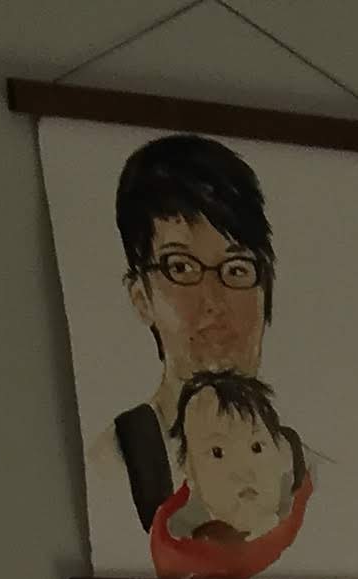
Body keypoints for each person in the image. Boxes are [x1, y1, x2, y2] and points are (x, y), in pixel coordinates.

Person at [108, 134, 273, 535]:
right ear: (140, 297)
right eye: (180, 268)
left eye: (236, 270)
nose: (214, 302)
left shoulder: (308, 467)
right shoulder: (114, 467)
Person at [148, 370, 313, 579]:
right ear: (189, 470)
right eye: (217, 453)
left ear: (281, 452)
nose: (243, 471)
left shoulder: (306, 512)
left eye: (256, 447)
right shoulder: (179, 556)